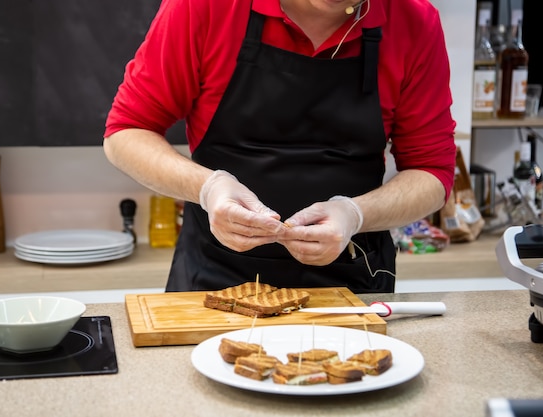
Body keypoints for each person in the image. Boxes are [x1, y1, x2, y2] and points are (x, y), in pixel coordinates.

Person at [103, 0, 457, 294]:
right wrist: (208, 188)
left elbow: (433, 173)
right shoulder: (206, 6)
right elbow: (126, 131)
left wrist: (355, 213)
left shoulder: (414, 21)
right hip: (213, 280)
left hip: (352, 283)